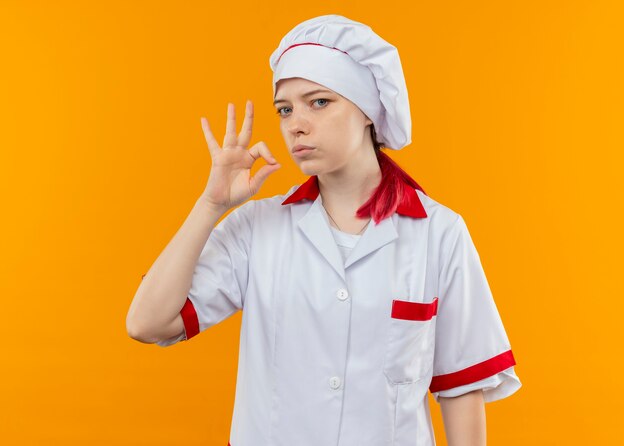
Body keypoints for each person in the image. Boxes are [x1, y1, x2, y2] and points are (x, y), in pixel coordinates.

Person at [126, 14, 522, 446]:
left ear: (368, 110)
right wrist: (210, 205)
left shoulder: (439, 233)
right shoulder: (258, 227)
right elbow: (148, 323)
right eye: (285, 109)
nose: (295, 124)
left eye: (318, 102)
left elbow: (461, 387)